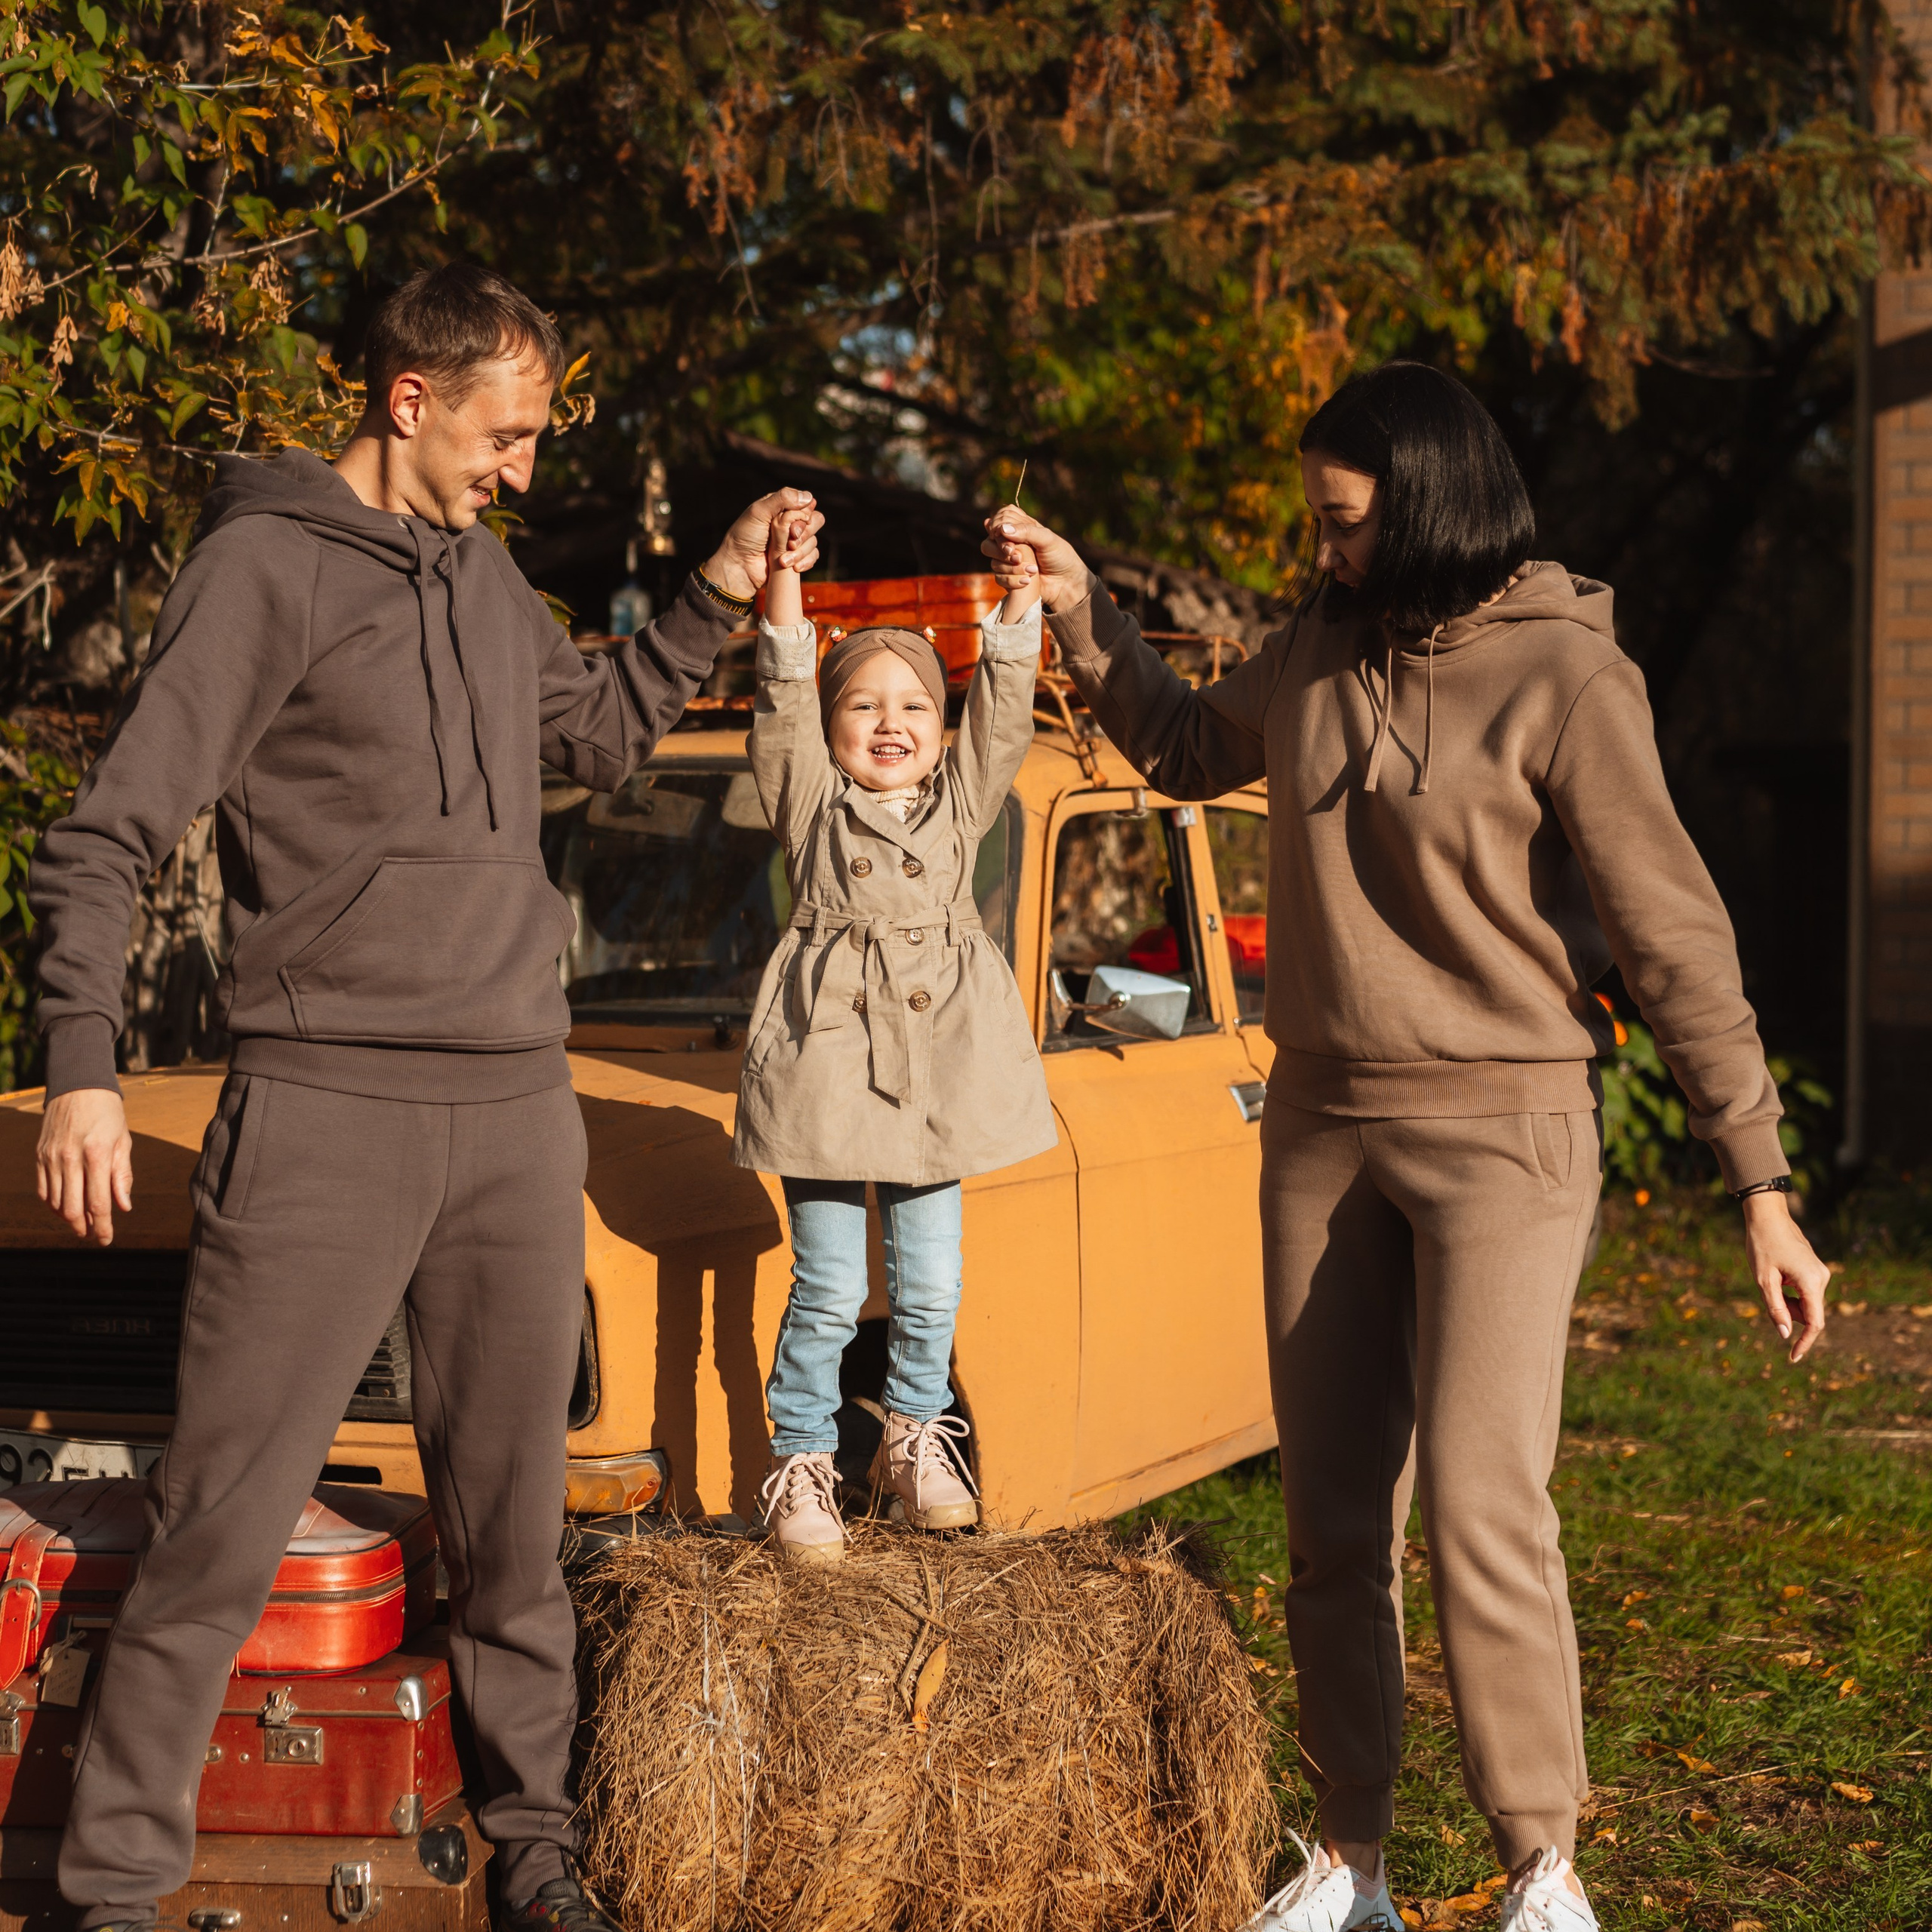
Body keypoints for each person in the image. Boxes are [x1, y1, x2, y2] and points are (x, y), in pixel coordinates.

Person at [983, 361, 1831, 1932]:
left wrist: (1760, 1179)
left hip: (1503, 1130)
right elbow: (1176, 746)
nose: (1321, 549)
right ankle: (1352, 1859)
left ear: (1428, 504)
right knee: (1327, 1510)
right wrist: (1081, 604)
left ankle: (1541, 1861)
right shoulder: (1315, 646)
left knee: (1478, 1498)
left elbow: (1669, 934)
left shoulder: (1565, 678)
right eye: (1313, 521)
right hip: (1318, 1119)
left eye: (1344, 522)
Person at [29, 263, 821, 1932]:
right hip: (322, 1107)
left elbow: (597, 737)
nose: (521, 467)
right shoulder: (262, 570)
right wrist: (83, 1074)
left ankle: (533, 1850)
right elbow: (107, 832)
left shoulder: (477, 578)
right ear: (409, 401)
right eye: (505, 432)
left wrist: (713, 590)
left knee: (510, 1520)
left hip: (514, 1110)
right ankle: (110, 1889)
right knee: (221, 1519)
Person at [731, 509, 1057, 1560]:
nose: (889, 720)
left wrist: (1019, 594)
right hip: (829, 1061)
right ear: (830, 729)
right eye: (862, 702)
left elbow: (1005, 712)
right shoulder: (811, 807)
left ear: (940, 719)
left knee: (932, 1276)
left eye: (914, 702)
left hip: (940, 1068)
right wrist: (784, 581)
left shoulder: (960, 809)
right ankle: (802, 1465)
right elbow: (781, 693)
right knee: (828, 1282)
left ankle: (916, 1435)